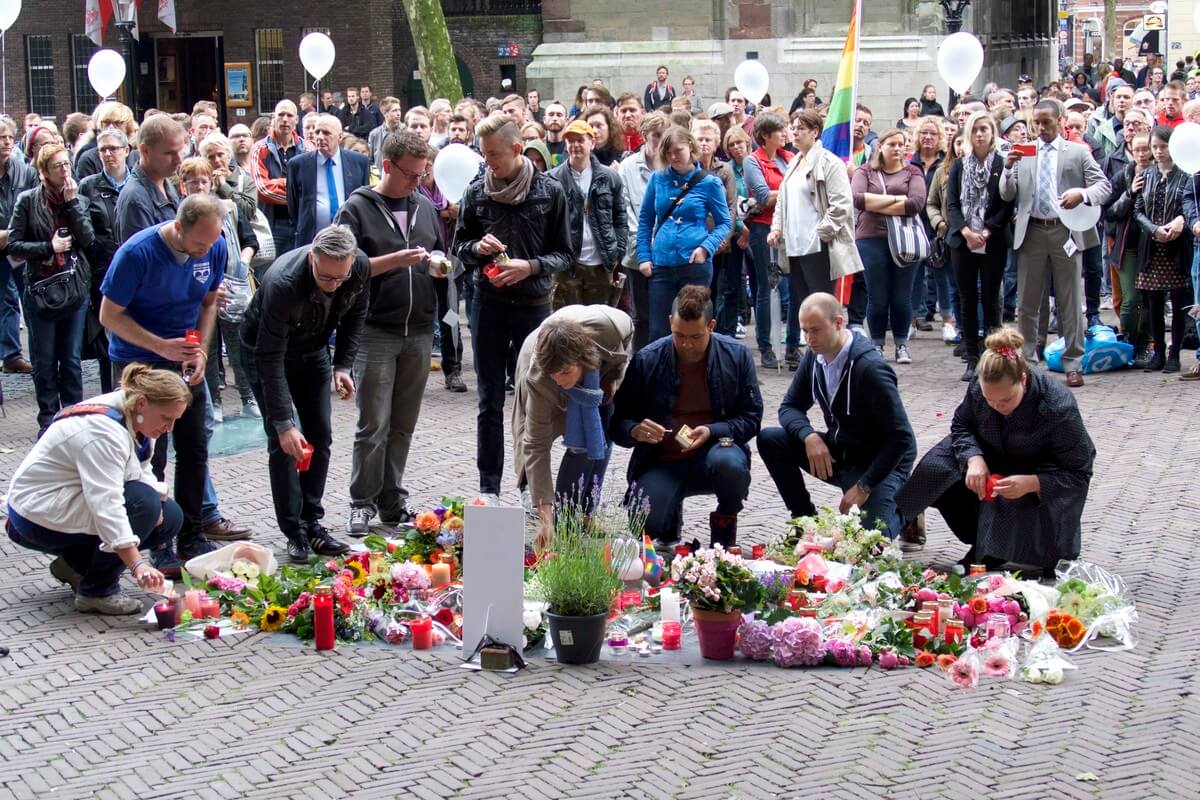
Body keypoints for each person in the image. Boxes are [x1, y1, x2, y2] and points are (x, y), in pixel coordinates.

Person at [99, 194, 230, 569]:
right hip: (140, 360)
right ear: (178, 227)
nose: (206, 250)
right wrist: (160, 346)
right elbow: (109, 315)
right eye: (199, 244)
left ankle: (192, 535)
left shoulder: (214, 246)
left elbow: (208, 303)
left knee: (194, 448)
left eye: (211, 242)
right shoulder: (137, 253)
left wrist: (200, 352)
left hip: (185, 356)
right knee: (150, 456)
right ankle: (159, 541)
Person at [896, 328, 1095, 571]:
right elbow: (961, 424)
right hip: (990, 450)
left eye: (1005, 400)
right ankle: (968, 535)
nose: (997, 406)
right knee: (937, 468)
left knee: (1010, 504)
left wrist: (1034, 482)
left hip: (1037, 467)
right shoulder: (981, 386)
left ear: (1022, 379)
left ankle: (993, 549)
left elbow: (1079, 472)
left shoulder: (1057, 407)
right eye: (990, 401)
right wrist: (974, 458)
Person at [453, 115, 572, 502]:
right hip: (487, 306)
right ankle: (489, 486)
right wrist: (476, 249)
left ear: (518, 150)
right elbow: (460, 247)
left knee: (532, 397)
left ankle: (526, 483)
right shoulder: (475, 192)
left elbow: (566, 255)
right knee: (488, 399)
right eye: (484, 155)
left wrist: (531, 266)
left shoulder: (551, 192)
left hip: (533, 306)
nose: (488, 163)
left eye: (494, 155)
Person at [5, 364, 188, 613]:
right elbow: (107, 504)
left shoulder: (137, 413)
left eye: (175, 420)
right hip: (33, 516)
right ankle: (97, 592)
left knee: (169, 516)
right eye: (167, 418)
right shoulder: (102, 432)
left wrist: (156, 502)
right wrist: (137, 565)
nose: (170, 428)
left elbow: (140, 469)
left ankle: (76, 566)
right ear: (143, 403)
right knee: (142, 505)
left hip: (65, 502)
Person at [336, 132, 445, 534]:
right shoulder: (357, 208)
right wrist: (393, 261)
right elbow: (342, 265)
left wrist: (439, 266)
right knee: (373, 423)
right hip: (375, 329)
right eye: (412, 175)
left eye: (423, 174)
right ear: (387, 166)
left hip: (419, 328)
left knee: (403, 422)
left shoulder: (424, 206)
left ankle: (391, 499)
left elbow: (439, 249)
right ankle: (361, 501)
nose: (418, 183)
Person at [240, 225, 365, 562]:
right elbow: (269, 358)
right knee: (286, 444)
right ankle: (294, 531)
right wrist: (282, 423)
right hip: (263, 351)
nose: (334, 285)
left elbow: (355, 315)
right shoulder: (284, 284)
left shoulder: (358, 268)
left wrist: (343, 365)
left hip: (312, 350)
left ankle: (313, 522)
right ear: (312, 258)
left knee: (319, 435)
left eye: (341, 278)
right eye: (326, 278)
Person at [611, 285, 761, 549]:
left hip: (715, 453)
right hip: (663, 460)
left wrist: (711, 431)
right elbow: (617, 420)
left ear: (712, 326)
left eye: (696, 337)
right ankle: (668, 520)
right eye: (679, 335)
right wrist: (634, 430)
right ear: (670, 322)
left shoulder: (737, 355)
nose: (686, 345)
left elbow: (751, 418)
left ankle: (725, 528)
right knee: (642, 523)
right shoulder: (647, 359)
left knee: (730, 467)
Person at [758, 293, 916, 541]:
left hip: (881, 464)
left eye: (816, 330)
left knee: (869, 542)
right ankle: (804, 518)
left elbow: (901, 438)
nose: (808, 339)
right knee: (770, 439)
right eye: (804, 331)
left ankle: (910, 507)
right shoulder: (814, 355)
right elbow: (789, 407)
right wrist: (809, 436)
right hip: (842, 451)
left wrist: (864, 486)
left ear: (839, 323)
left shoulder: (870, 368)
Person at [1000, 100, 1111, 387]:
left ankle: (1073, 362)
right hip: (1032, 230)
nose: (1041, 128)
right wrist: (1007, 168)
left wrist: (1082, 195)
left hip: (1065, 231)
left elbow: (1104, 186)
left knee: (1070, 299)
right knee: (1027, 301)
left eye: (1047, 122)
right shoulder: (1024, 151)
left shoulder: (1076, 152)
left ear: (1061, 121)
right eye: (1036, 122)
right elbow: (1007, 193)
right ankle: (1026, 361)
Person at [513, 305, 634, 549]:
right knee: (551, 439)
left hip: (594, 361)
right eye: (554, 375)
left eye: (565, 373)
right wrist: (546, 521)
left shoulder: (612, 329)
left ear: (582, 360)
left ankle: (587, 512)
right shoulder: (539, 379)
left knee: (601, 431)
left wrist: (612, 380)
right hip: (534, 353)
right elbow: (536, 446)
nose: (560, 380)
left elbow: (626, 341)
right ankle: (562, 519)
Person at [8, 143, 96, 433]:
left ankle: (73, 415)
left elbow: (87, 239)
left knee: (70, 358)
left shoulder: (78, 199)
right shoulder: (28, 201)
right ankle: (48, 418)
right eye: (58, 166)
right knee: (44, 359)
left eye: (67, 165)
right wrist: (49, 247)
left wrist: (72, 204)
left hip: (74, 287)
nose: (65, 171)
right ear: (43, 172)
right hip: (41, 289)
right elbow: (14, 244)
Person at [767, 110, 862, 371]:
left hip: (819, 248)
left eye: (800, 128)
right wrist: (776, 229)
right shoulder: (794, 162)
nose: (794, 132)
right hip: (795, 247)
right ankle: (815, 359)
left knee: (823, 307)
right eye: (792, 127)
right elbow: (782, 203)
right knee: (806, 305)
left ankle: (835, 357)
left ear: (815, 132)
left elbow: (842, 205)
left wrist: (820, 234)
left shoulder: (830, 162)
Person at [176, 158, 260, 423]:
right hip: (200, 294)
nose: (199, 186)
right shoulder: (179, 217)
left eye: (204, 181)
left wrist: (240, 266)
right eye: (193, 182)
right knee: (207, 349)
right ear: (183, 186)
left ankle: (248, 398)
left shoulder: (229, 209)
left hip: (233, 290)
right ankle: (214, 402)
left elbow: (249, 241)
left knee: (239, 346)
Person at [635, 125, 732, 342]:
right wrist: (643, 256)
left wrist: (706, 248)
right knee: (660, 330)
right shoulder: (657, 179)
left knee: (695, 325)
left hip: (695, 266)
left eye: (677, 151)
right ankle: (662, 373)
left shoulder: (709, 183)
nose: (672, 157)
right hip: (661, 265)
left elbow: (725, 223)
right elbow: (646, 220)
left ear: (690, 146)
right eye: (667, 153)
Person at [850, 127, 927, 364]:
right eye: (891, 144)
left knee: (902, 296)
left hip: (905, 241)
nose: (896, 149)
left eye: (900, 144)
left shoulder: (913, 171)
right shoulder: (865, 170)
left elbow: (915, 203)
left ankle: (902, 344)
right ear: (880, 146)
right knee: (877, 295)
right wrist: (897, 200)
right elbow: (857, 198)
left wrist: (876, 204)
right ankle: (877, 344)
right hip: (871, 238)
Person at [946, 111, 1013, 381]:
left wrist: (985, 231)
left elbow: (1007, 204)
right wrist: (965, 230)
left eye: (984, 129)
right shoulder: (959, 166)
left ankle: (994, 357)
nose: (980, 134)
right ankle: (972, 357)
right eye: (975, 130)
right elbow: (951, 203)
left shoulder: (1002, 164)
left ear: (992, 133)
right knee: (967, 299)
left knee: (991, 298)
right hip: (963, 241)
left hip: (992, 239)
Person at [547, 119, 628, 309]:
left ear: (591, 142)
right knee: (566, 323)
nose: (575, 145)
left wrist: (618, 251)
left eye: (580, 140)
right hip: (566, 265)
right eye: (571, 140)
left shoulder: (610, 177)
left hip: (601, 264)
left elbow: (620, 218)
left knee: (598, 323)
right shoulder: (552, 179)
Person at [1133, 125, 1191, 373]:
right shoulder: (1146, 175)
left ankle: (1174, 352)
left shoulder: (1186, 174)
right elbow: (1137, 210)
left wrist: (1180, 221)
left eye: (1162, 146)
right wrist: (1153, 229)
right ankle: (1157, 352)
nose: (1158, 152)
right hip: (1152, 244)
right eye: (1154, 147)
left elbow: (1190, 205)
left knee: (1178, 301)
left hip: (1177, 245)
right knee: (1153, 302)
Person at [78, 127, 131, 393]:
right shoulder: (88, 186)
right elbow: (85, 234)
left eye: (113, 148)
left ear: (126, 151)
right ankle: (111, 394)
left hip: (137, 273)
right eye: (103, 149)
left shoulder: (138, 184)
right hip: (104, 274)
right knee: (109, 339)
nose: (108, 154)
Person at [739, 112, 794, 369]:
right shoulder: (753, 161)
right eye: (780, 131)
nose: (785, 134)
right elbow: (761, 196)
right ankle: (766, 346)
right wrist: (790, 190)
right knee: (765, 286)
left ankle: (792, 345)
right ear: (765, 136)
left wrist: (781, 193)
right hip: (762, 229)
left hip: (789, 227)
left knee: (792, 287)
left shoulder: (789, 158)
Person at [619, 111, 669, 352]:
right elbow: (625, 207)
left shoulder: (672, 167)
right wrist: (642, 243)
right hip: (637, 250)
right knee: (641, 314)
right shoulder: (627, 167)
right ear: (644, 136)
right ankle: (640, 360)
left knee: (663, 311)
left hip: (666, 250)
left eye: (663, 135)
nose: (659, 141)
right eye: (654, 135)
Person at [1104, 127, 1153, 367]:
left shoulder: (1161, 173)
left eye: (1147, 149)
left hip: (1154, 245)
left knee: (1150, 299)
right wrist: (1130, 193)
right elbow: (1109, 212)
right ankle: (1129, 342)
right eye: (1138, 150)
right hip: (1128, 245)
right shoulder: (1123, 175)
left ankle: (1146, 344)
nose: (1143, 154)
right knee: (1130, 299)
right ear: (1130, 150)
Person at [286, 114, 370, 249]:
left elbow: (363, 200)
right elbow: (293, 205)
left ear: (340, 137)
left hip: (350, 240)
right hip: (311, 241)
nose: (319, 137)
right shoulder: (298, 165)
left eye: (326, 133)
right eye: (316, 132)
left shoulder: (359, 162)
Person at [0, 116, 36, 376]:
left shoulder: (23, 169)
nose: (6, 142)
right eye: (0, 137)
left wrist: (15, 233)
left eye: (9, 137)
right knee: (5, 301)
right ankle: (11, 354)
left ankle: (39, 354)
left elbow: (32, 204)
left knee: (31, 299)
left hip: (20, 247)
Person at [251, 99, 311, 257]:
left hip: (301, 223)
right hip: (273, 225)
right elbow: (262, 190)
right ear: (273, 117)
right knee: (270, 274)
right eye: (281, 115)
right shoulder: (259, 148)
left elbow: (312, 188)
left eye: (289, 115)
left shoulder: (308, 149)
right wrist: (295, 193)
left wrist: (277, 182)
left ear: (296, 120)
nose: (285, 119)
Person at [114, 115, 185, 243]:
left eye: (180, 151)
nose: (179, 159)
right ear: (145, 150)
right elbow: (141, 256)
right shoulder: (135, 199)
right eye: (169, 153)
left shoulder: (165, 181)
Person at [368, 97, 405, 168]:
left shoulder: (407, 131)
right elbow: (370, 159)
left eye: (399, 110)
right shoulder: (374, 134)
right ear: (385, 113)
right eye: (394, 110)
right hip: (381, 175)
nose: (398, 113)